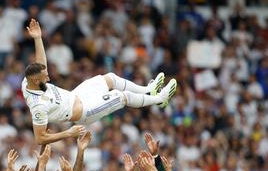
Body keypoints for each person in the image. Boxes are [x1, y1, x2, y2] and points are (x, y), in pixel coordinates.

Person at [22, 19, 176, 145]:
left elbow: (41, 63)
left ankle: (148, 89)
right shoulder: (38, 107)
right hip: (84, 111)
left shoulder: (29, 80)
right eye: (45, 77)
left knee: (110, 78)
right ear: (36, 80)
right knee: (120, 96)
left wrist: (37, 38)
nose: (48, 78)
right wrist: (68, 133)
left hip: (76, 95)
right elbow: (40, 138)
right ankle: (159, 99)